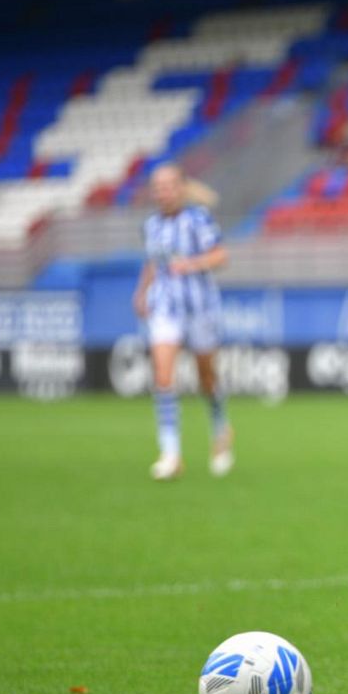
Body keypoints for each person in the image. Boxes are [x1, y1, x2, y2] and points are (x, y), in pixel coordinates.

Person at [131, 164, 233, 481]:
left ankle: (220, 428)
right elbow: (153, 262)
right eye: (158, 187)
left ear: (181, 188)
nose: (163, 192)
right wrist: (142, 292)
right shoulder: (150, 225)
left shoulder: (198, 219)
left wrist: (191, 264)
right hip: (165, 307)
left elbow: (220, 256)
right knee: (163, 376)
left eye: (169, 185)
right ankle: (170, 453)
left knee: (206, 379)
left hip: (199, 307)